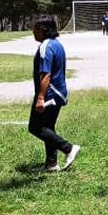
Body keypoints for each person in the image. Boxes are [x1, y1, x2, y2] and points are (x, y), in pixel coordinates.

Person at [28, 16, 80, 172]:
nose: (33, 32)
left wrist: (40, 97)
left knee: (35, 127)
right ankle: (51, 164)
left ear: (43, 30)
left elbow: (46, 74)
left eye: (35, 29)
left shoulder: (46, 47)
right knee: (48, 126)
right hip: (59, 93)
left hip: (50, 94)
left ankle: (69, 148)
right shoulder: (57, 45)